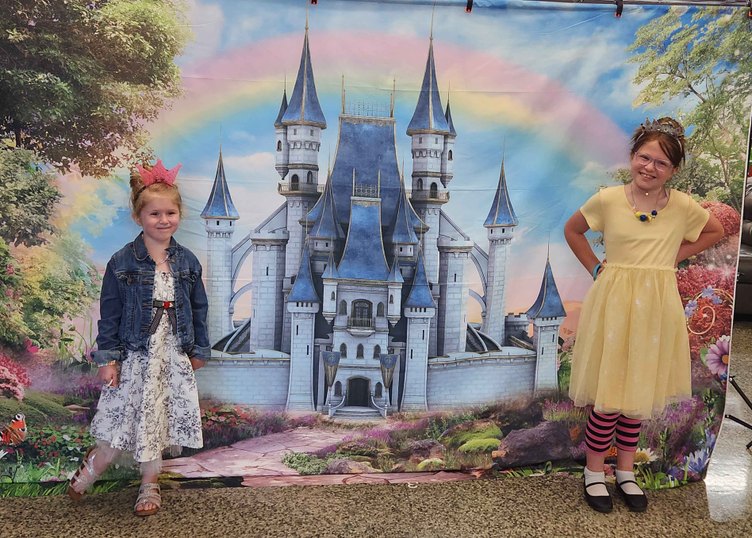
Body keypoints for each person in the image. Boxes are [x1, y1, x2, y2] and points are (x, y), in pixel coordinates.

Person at [563, 117, 724, 513]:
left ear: (673, 170)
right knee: (609, 394)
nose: (649, 168)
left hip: (656, 308)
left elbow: (715, 231)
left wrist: (672, 258)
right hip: (614, 306)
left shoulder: (683, 206)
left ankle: (626, 472)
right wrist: (597, 268)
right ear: (633, 157)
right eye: (644, 157)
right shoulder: (608, 199)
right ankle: (594, 472)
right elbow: (573, 230)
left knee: (637, 390)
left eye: (661, 163)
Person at [67, 160, 210, 516]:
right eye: (155, 214)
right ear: (138, 217)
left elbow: (198, 307)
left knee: (157, 421)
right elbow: (111, 313)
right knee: (121, 420)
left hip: (170, 357)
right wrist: (108, 358)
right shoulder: (122, 262)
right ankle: (95, 465)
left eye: (171, 213)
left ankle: (150, 484)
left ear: (180, 214)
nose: (164, 220)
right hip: (134, 357)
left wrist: (198, 349)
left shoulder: (188, 262)